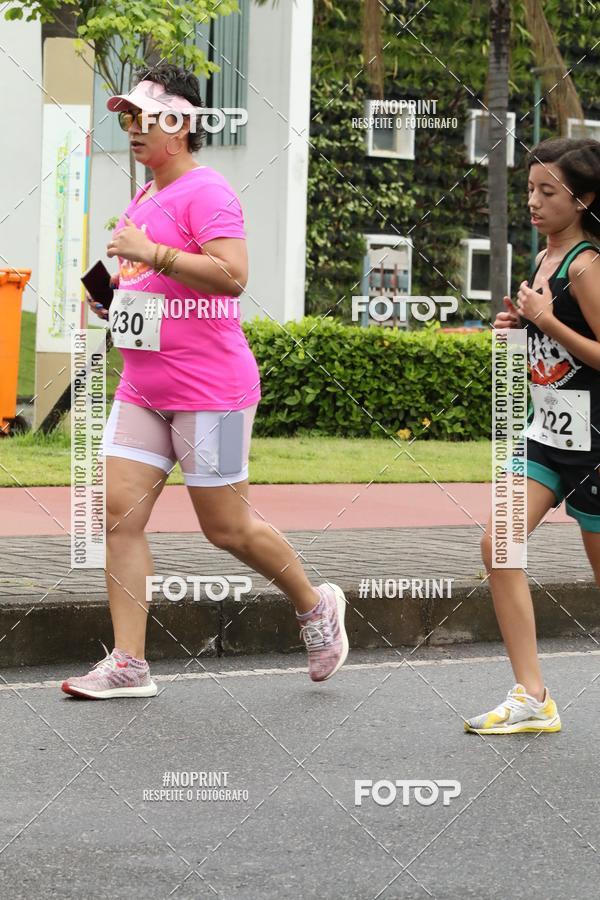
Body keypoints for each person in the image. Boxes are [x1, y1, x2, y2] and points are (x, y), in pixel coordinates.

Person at [61, 63, 348, 699]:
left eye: (145, 118)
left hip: (210, 393)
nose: (132, 129)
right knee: (117, 516)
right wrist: (118, 300)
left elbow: (232, 275)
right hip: (144, 387)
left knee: (225, 528)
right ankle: (129, 663)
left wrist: (151, 253)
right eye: (128, 118)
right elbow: (157, 285)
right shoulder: (146, 194)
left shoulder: (207, 190)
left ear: (182, 125)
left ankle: (315, 604)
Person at [465, 137, 600, 735]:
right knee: (500, 545)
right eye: (529, 190)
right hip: (547, 435)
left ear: (584, 199)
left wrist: (545, 320)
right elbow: (546, 361)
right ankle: (533, 696)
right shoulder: (543, 262)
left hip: (596, 445)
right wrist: (515, 333)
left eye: (549, 192)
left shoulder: (587, 264)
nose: (534, 202)